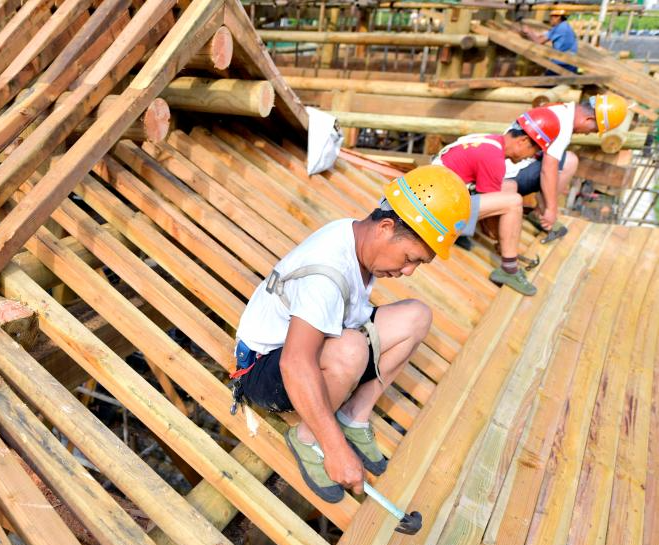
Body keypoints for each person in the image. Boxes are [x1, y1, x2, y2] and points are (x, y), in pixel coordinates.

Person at [230, 166, 471, 503]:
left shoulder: (355, 235)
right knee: (352, 349)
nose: (408, 271)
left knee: (417, 317)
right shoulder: (326, 274)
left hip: (313, 341)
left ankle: (353, 416)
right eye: (408, 258)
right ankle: (307, 438)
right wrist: (336, 449)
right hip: (263, 369)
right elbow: (295, 363)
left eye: (418, 264)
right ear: (385, 228)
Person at [434, 107, 559, 296]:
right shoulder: (493, 158)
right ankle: (509, 268)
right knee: (513, 202)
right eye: (534, 152)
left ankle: (472, 237)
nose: (530, 158)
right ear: (523, 141)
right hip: (437, 210)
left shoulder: (491, 142)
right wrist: (500, 240)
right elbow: (492, 215)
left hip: (440, 194)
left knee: (510, 186)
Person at [504, 94, 629, 242]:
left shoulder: (559, 109)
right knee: (566, 162)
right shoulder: (561, 124)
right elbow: (548, 170)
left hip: (505, 168)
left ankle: (540, 211)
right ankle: (542, 213)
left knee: (567, 160)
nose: (588, 133)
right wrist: (552, 209)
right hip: (507, 179)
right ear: (588, 119)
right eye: (593, 130)